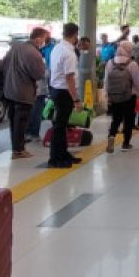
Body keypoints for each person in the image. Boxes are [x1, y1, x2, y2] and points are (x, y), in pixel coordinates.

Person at [1, 28, 49, 159]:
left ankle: (16, 148)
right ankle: (19, 150)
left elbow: (2, 66)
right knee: (21, 122)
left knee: (13, 122)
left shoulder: (15, 48)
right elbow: (38, 74)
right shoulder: (33, 52)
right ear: (38, 39)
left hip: (9, 91)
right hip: (23, 92)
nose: (44, 42)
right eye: (44, 39)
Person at [47, 23, 82, 168]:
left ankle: (63, 153)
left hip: (56, 89)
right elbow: (69, 79)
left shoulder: (57, 48)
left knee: (61, 125)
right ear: (75, 35)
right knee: (60, 126)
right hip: (64, 93)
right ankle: (56, 159)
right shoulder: (69, 53)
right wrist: (76, 100)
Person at [104, 41, 139, 153]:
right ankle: (126, 143)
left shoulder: (110, 63)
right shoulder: (132, 64)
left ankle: (112, 135)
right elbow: (138, 81)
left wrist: (107, 95)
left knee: (116, 118)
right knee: (128, 119)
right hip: (129, 96)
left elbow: (106, 80)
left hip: (114, 95)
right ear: (128, 50)